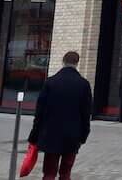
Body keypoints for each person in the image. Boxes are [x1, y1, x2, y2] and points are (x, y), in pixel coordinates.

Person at [27, 51, 92, 180]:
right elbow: (86, 113)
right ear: (77, 63)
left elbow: (39, 112)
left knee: (49, 173)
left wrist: (34, 135)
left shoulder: (51, 82)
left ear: (63, 62)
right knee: (65, 173)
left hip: (51, 133)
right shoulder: (83, 84)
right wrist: (84, 135)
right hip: (73, 135)